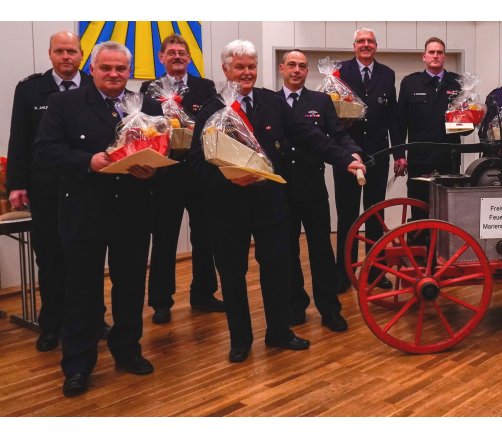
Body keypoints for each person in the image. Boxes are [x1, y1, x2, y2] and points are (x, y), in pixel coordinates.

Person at [187, 40, 365, 364]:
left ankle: (279, 332)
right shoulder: (212, 109)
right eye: (239, 66)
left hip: (270, 205)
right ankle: (240, 340)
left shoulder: (271, 102)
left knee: (276, 271)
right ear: (225, 69)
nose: (247, 72)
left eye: (251, 66)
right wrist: (227, 178)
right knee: (233, 274)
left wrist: (344, 159)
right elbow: (197, 162)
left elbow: (309, 135)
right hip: (227, 210)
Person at [34, 41, 162, 397]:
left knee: (131, 287)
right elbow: (45, 151)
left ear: (129, 72)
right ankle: (77, 364)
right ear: (92, 69)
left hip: (132, 213)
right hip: (84, 212)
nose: (114, 74)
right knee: (82, 292)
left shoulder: (146, 105)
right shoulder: (66, 103)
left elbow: (162, 150)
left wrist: (150, 172)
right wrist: (87, 162)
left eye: (121, 69)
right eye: (106, 68)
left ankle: (128, 350)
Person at [6, 31, 99, 352]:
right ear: (50, 54)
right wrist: (15, 184)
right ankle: (52, 324)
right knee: (50, 259)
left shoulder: (94, 85)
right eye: (59, 51)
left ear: (81, 54)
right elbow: (19, 138)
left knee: (88, 260)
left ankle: (94, 319)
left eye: (72, 51)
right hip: (46, 190)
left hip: (87, 188)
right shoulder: (31, 89)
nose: (66, 57)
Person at [139, 33, 221, 325]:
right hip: (163, 175)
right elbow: (143, 128)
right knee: (163, 240)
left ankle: (203, 293)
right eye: (171, 52)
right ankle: (161, 301)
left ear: (189, 58)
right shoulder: (148, 90)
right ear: (161, 57)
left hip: (199, 175)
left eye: (182, 53)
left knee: (204, 237)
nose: (177, 56)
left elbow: (213, 125)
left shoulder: (205, 87)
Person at [276, 49, 357, 332]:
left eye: (302, 66)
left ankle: (329, 309)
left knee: (321, 251)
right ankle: (295, 306)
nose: (297, 70)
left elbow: (338, 135)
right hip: (281, 189)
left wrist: (353, 153)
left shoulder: (321, 101)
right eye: (292, 65)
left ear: (307, 71)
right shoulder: (271, 103)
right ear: (281, 68)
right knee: (287, 252)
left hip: (313, 187)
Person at [335, 27, 399, 293]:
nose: (365, 45)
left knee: (376, 215)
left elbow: (393, 117)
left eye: (370, 41)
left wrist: (399, 153)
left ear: (376, 46)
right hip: (346, 154)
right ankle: (343, 273)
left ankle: (375, 272)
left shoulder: (387, 74)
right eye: (361, 41)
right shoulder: (339, 72)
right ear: (354, 46)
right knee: (347, 215)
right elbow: (332, 113)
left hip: (377, 154)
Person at [396, 37, 469, 222]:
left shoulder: (458, 83)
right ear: (424, 56)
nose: (435, 56)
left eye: (439, 52)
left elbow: (465, 128)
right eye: (431, 52)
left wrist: (470, 120)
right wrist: (399, 155)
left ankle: (443, 251)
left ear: (444, 57)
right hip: (419, 159)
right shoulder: (410, 83)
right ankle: (420, 250)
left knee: (448, 212)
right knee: (418, 211)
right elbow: (399, 123)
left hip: (448, 159)